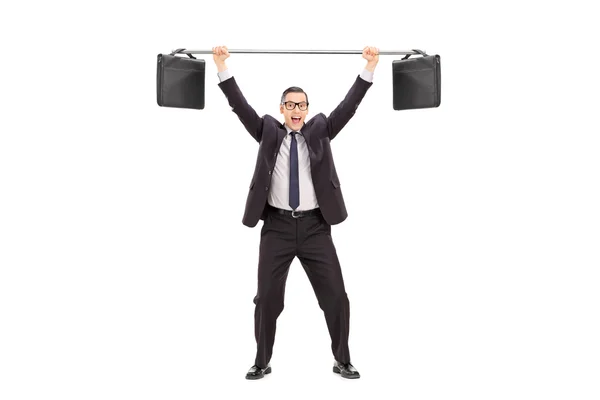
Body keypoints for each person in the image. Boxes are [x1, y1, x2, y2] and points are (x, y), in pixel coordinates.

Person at [212, 45, 379, 380]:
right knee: (268, 300)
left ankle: (342, 359)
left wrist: (369, 67)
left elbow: (349, 106)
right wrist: (221, 66)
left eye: (301, 104)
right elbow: (239, 106)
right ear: (282, 109)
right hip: (276, 227)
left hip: (317, 227)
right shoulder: (267, 131)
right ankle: (261, 361)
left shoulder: (321, 130)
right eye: (290, 105)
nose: (296, 110)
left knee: (336, 296)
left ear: (307, 109)